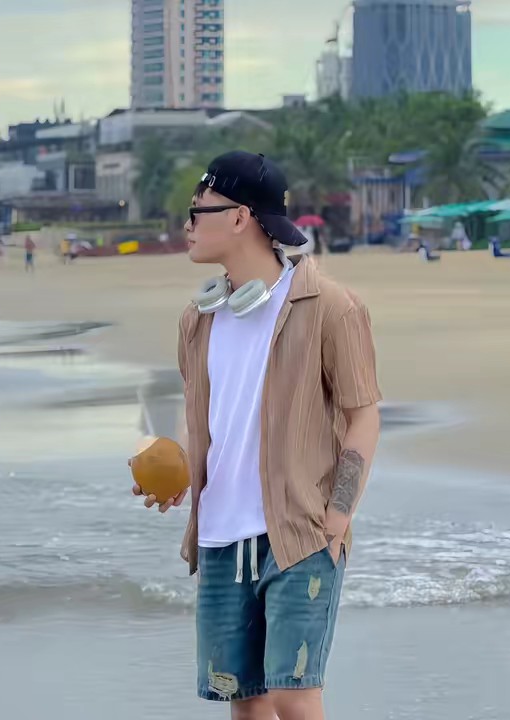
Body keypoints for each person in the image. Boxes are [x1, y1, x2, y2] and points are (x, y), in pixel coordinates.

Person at [131, 151, 382, 720]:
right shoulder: (197, 320)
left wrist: (337, 516)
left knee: (294, 695)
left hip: (299, 531)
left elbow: (364, 415)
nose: (187, 225)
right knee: (243, 701)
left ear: (240, 217)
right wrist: (177, 475)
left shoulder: (331, 307)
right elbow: (209, 421)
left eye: (197, 211)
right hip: (220, 534)